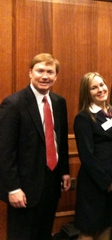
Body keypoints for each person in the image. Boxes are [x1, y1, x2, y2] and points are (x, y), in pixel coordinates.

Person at [0, 53, 70, 240]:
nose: (45, 76)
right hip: (24, 188)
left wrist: (64, 171)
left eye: (50, 72)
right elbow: (5, 152)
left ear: (56, 76)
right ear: (30, 72)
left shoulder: (59, 102)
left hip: (51, 183)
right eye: (40, 71)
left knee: (43, 233)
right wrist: (13, 188)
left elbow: (60, 141)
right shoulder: (13, 104)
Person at [73, 72, 112, 240]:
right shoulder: (84, 117)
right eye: (94, 88)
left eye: (102, 85)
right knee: (89, 230)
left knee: (107, 226)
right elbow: (87, 156)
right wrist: (106, 181)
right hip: (95, 184)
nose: (100, 89)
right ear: (87, 93)